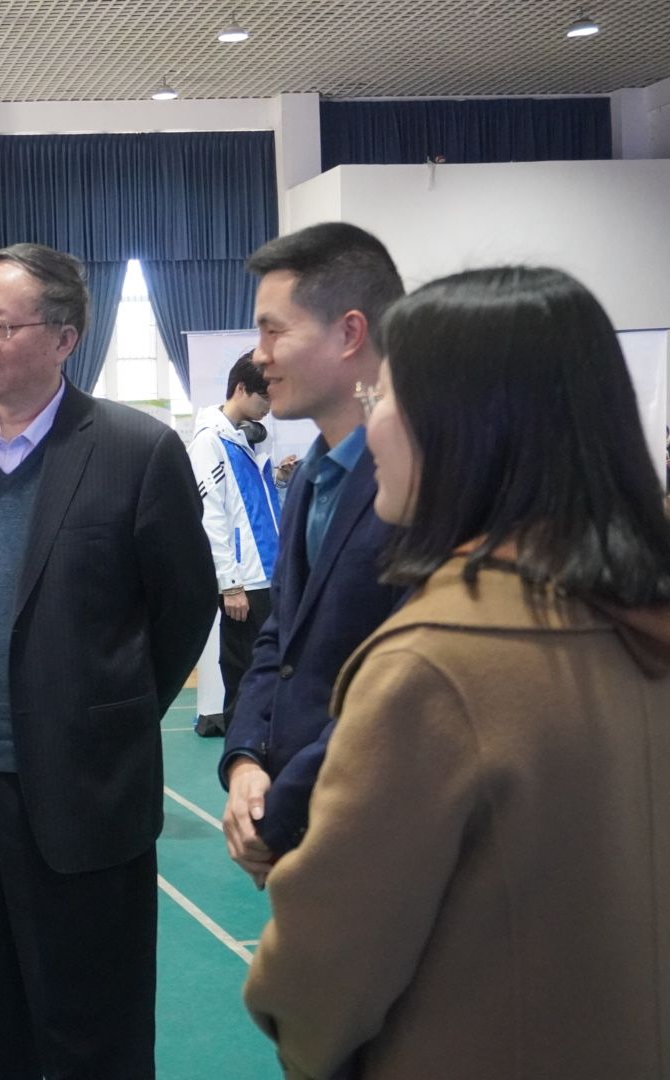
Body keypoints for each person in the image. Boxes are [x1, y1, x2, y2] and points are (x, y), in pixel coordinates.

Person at [244, 266, 670, 1078]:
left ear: (465, 428)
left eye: (382, 397)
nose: (371, 425)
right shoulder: (631, 616)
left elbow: (324, 965)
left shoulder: (435, 666)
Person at [0, 243, 214, 1078]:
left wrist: (109, 710)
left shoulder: (136, 450)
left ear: (65, 339)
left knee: (96, 1034)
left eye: (1, 326)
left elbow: (184, 604)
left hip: (87, 793)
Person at [218, 223, 409, 885]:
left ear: (350, 333)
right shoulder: (312, 476)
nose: (260, 355)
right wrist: (246, 759)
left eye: (274, 331)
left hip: (381, 831)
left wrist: (283, 812)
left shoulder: (417, 486)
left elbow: (396, 688)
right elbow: (282, 636)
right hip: (308, 832)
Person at [188, 351, 281, 737]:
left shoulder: (250, 439)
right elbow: (211, 518)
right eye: (264, 397)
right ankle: (243, 754)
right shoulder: (210, 442)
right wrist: (230, 585)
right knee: (245, 680)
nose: (269, 407)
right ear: (241, 389)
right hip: (245, 584)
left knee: (272, 678)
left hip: (271, 577)